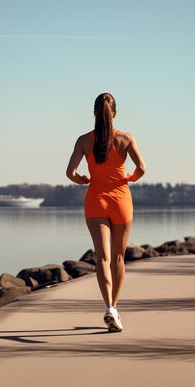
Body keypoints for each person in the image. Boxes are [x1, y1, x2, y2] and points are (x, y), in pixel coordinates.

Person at [65, 93, 146, 332]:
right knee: (119, 258)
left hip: (96, 202)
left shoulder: (83, 140)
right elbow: (142, 168)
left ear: (94, 113)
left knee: (102, 258)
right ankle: (115, 308)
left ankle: (108, 306)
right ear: (115, 113)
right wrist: (130, 178)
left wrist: (81, 180)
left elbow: (70, 172)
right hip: (121, 200)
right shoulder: (126, 138)